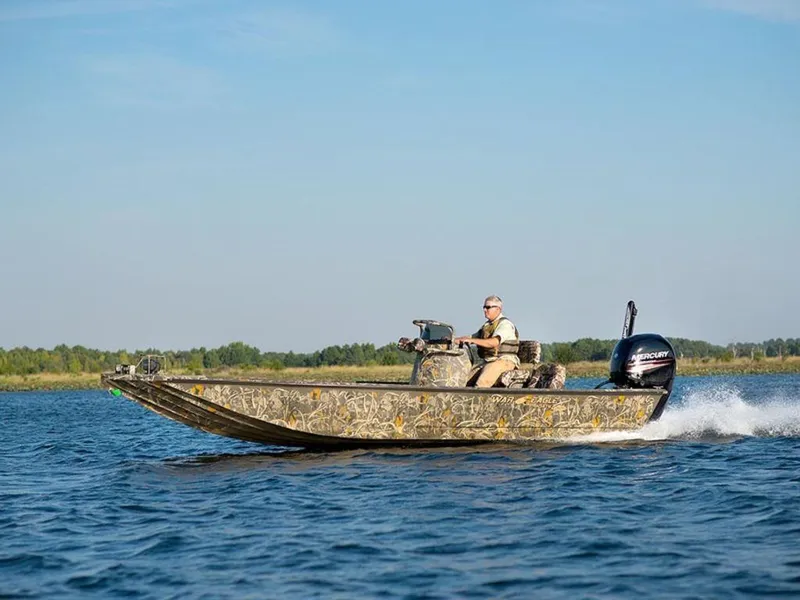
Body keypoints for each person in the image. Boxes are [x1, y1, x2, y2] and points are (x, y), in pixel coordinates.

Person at [454, 295, 520, 388]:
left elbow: (494, 342)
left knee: (482, 383)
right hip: (489, 361)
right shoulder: (487, 325)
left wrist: (471, 340)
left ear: (498, 309)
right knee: (463, 381)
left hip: (504, 360)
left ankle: (478, 401)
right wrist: (454, 340)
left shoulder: (505, 324)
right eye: (484, 307)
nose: (485, 310)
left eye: (488, 307)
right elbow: (472, 337)